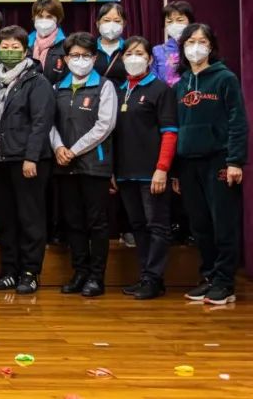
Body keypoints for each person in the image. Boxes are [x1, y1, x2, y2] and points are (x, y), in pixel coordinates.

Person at [173, 23, 248, 306]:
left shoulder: (225, 78)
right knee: (200, 225)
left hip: (219, 160)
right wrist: (176, 171)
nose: (196, 47)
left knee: (223, 223)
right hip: (188, 163)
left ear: (211, 46)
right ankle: (209, 276)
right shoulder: (180, 84)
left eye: (202, 41)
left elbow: (237, 121)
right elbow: (175, 127)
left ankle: (225, 283)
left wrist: (235, 161)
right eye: (190, 41)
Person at [50, 32, 118, 298]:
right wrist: (58, 147)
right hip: (64, 165)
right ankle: (79, 272)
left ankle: (96, 277)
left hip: (94, 165)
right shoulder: (57, 88)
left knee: (96, 223)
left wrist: (74, 150)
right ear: (66, 59)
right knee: (73, 221)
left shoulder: (104, 86)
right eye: (75, 55)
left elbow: (105, 125)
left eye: (86, 55)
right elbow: (49, 123)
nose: (80, 60)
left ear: (94, 57)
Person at [0, 26, 56, 295]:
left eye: (15, 47)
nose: (9, 51)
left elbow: (41, 122)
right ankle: (9, 270)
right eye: (4, 47)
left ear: (25, 51)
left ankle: (30, 272)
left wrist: (31, 157)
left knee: (30, 218)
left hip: (27, 160)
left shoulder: (36, 81)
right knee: (6, 218)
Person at [113, 36, 178, 300]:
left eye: (140, 53)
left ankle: (154, 278)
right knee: (138, 226)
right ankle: (146, 276)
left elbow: (170, 132)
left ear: (150, 59)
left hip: (152, 173)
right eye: (129, 53)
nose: (134, 58)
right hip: (125, 173)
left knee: (157, 226)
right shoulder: (118, 91)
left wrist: (162, 168)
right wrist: (113, 171)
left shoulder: (160, 89)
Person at [152, 0, 195, 87]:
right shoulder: (157, 50)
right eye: (169, 21)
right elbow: (153, 79)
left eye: (180, 20)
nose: (174, 24)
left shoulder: (198, 48)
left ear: (190, 21)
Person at [27, 0, 67, 84]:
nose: (44, 21)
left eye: (49, 17)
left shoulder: (66, 46)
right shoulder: (25, 44)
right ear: (34, 18)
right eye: (40, 16)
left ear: (58, 19)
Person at [94, 2, 127, 84]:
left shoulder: (129, 48)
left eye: (117, 21)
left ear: (124, 24)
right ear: (98, 23)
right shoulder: (90, 48)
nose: (111, 24)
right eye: (106, 20)